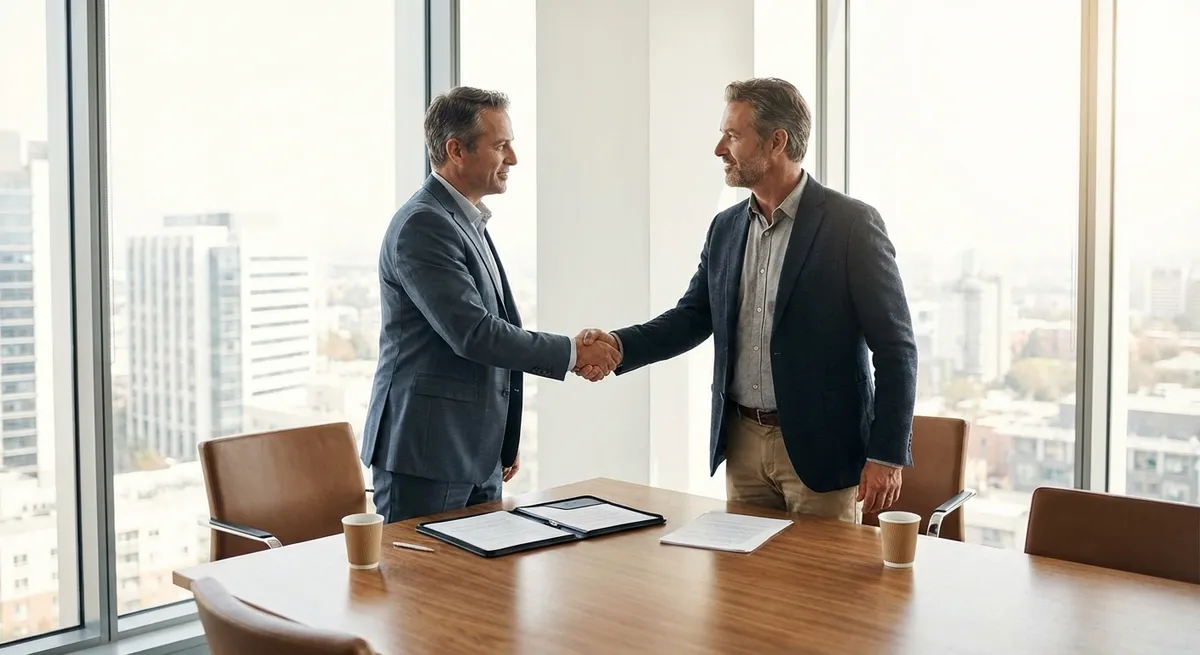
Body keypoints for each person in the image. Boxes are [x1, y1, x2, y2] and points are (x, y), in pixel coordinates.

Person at [578, 78, 917, 522]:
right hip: (741, 442)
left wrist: (887, 454)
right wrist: (619, 347)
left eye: (733, 135)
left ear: (777, 141)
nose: (720, 148)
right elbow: (693, 316)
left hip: (822, 452)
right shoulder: (726, 227)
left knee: (820, 588)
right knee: (743, 587)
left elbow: (896, 348)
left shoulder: (851, 224)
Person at [362, 86, 621, 522]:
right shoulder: (423, 225)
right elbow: (475, 333)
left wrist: (503, 438)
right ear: (456, 150)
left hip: (474, 453)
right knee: (424, 590)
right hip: (427, 455)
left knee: (485, 589)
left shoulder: (465, 220)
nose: (513, 158)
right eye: (501, 145)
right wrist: (574, 352)